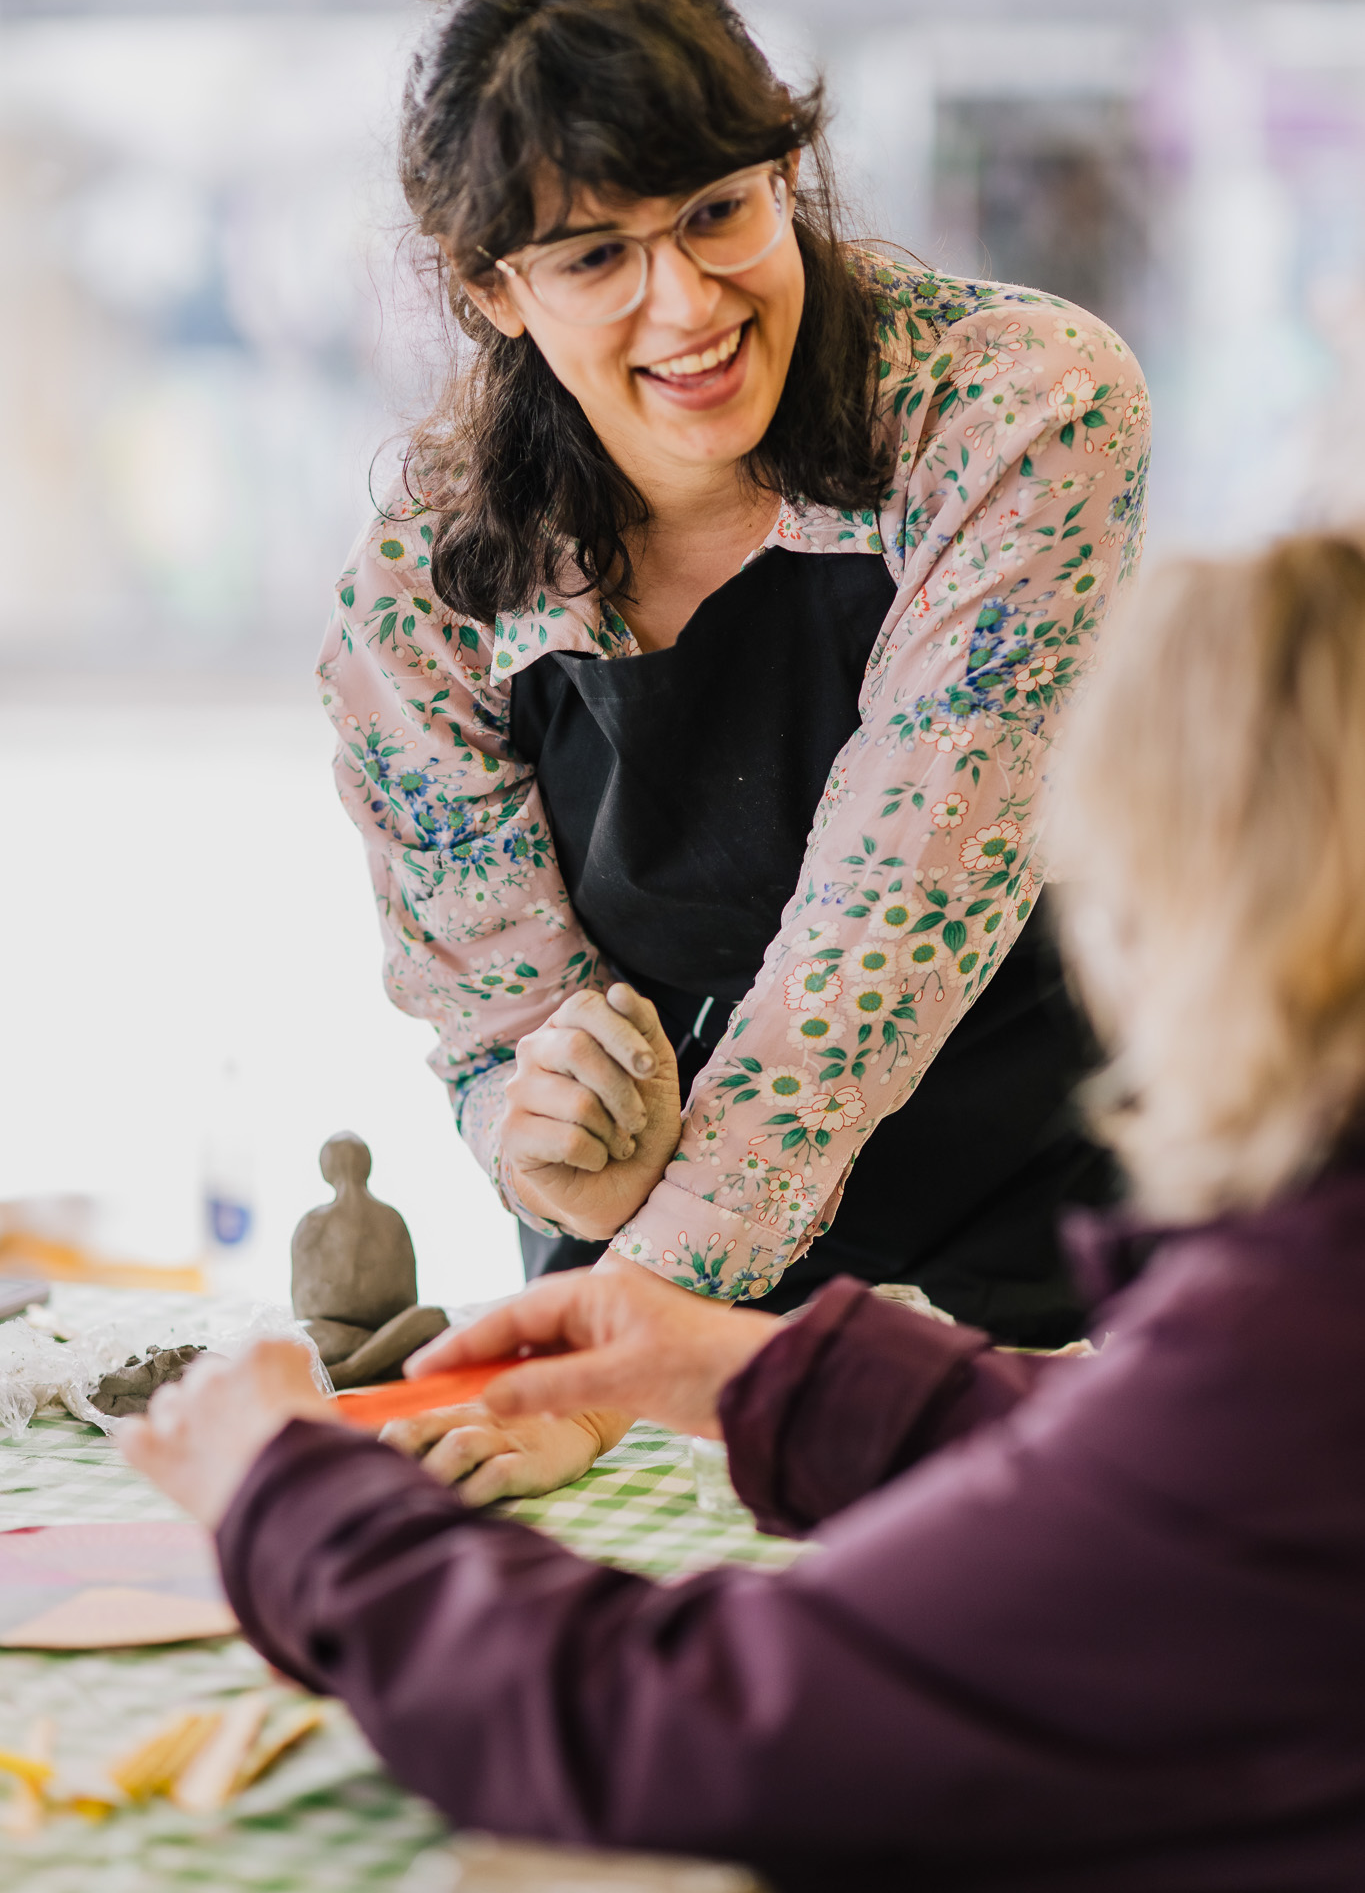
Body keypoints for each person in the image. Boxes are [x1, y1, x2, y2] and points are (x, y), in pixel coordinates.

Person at [125, 529, 1365, 1890]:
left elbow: (662, 1724)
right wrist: (760, 1369)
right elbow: (1152, 1479)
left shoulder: (1287, 1350)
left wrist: (293, 1501)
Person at [319, 0, 1149, 1496]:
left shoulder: (1014, 410)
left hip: (1037, 1283)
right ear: (488, 290)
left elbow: (888, 930)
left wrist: (629, 1334)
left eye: (716, 213)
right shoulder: (423, 583)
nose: (686, 304)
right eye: (591, 257)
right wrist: (549, 1131)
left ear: (790, 171)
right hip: (636, 1312)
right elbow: (493, 1006)